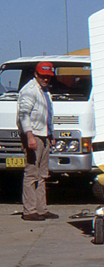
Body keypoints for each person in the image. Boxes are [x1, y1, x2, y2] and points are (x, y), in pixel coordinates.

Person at [18, 61, 58, 221]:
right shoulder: (29, 90)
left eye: (48, 77)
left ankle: (41, 208)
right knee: (31, 174)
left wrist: (51, 134)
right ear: (36, 74)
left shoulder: (45, 91)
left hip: (44, 135)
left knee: (42, 175)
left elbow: (46, 114)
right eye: (43, 76)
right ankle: (29, 210)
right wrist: (29, 136)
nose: (46, 79)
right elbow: (23, 115)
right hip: (33, 135)